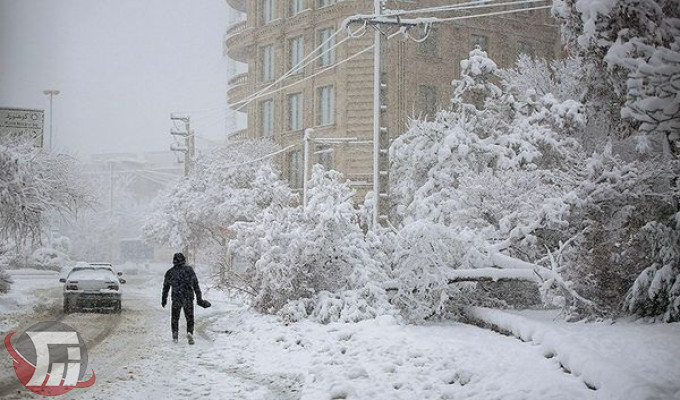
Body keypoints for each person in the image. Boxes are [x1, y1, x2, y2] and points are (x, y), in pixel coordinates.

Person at [162, 252, 203, 344]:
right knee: (189, 317)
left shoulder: (170, 272)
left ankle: (175, 336)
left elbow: (165, 288)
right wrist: (199, 298)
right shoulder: (189, 270)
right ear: (184, 260)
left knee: (175, 318)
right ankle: (190, 333)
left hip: (176, 298)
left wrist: (164, 299)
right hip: (188, 297)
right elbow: (196, 285)